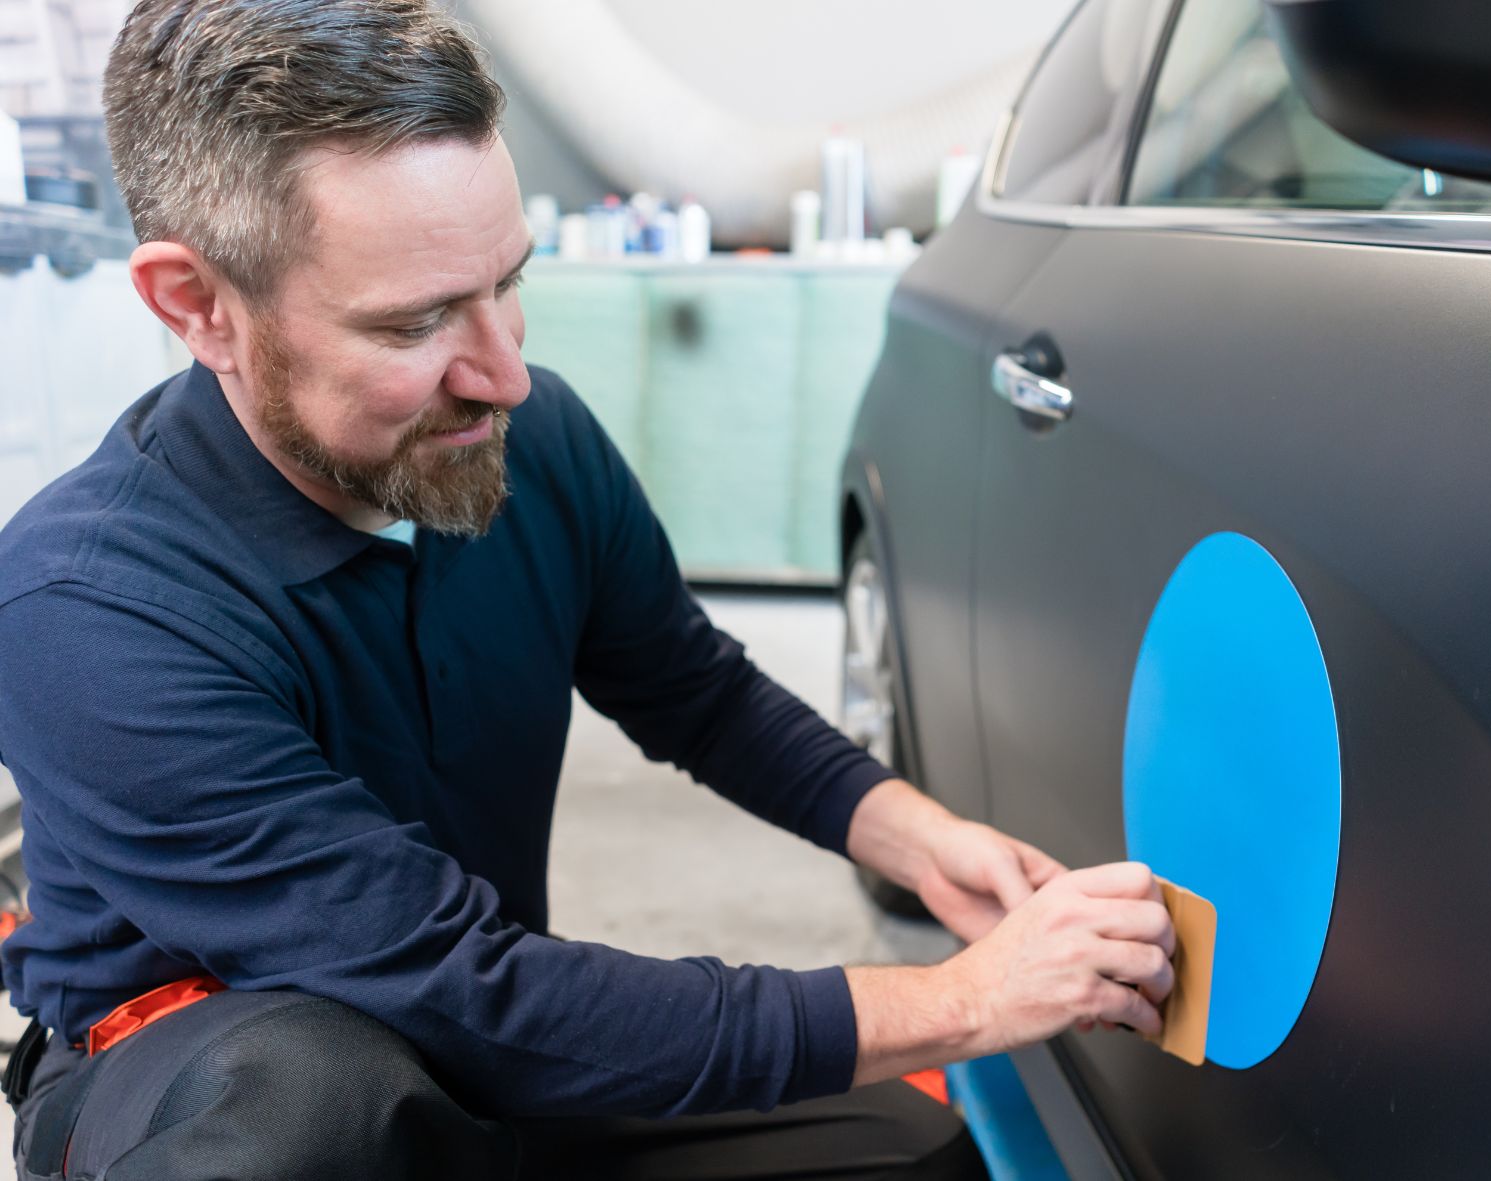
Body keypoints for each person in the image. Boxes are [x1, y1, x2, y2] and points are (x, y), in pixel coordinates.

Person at [0, 1, 1176, 1177]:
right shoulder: (88, 610)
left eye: (505, 281)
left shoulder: (524, 438)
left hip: (469, 1032)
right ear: (198, 305)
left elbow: (696, 693)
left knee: (909, 1154)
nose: (503, 372)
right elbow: (462, 988)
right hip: (220, 1086)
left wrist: (924, 841)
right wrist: (967, 998)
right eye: (415, 322)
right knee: (319, 1111)